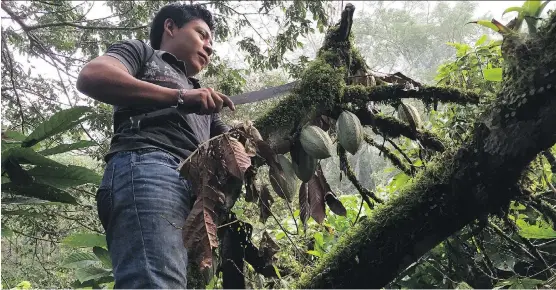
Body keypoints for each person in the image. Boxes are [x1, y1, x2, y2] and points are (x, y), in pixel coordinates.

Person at [76, 3, 234, 289]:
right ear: (170, 27)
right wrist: (181, 97)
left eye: (211, 42)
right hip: (148, 167)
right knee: (155, 283)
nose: (209, 47)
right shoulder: (142, 53)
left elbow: (230, 145)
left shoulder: (203, 98)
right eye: (202, 34)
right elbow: (93, 76)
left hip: (195, 193)